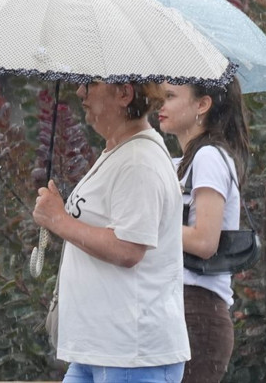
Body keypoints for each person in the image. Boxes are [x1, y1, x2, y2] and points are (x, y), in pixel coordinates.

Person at [33, 79, 190, 383]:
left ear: (124, 94)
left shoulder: (139, 161)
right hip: (101, 352)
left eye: (90, 84)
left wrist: (58, 220)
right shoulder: (120, 152)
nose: (80, 92)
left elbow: (128, 249)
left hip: (131, 356)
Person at [157, 78, 250, 383]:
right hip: (176, 307)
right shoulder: (180, 162)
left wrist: (147, 228)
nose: (160, 104)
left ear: (202, 104)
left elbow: (205, 240)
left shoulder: (209, 156)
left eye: (170, 96)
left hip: (196, 311)